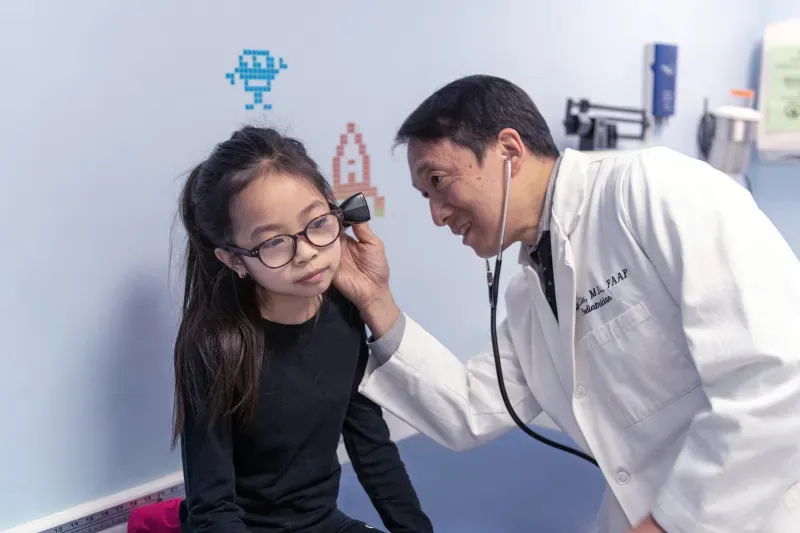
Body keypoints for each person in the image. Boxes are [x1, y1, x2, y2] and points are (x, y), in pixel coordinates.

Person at [333, 75, 800, 533]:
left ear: (509, 152)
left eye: (439, 181)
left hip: (753, 512)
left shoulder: (651, 190)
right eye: (426, 197)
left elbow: (778, 375)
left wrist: (671, 521)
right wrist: (376, 299)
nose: (437, 214)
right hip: (638, 515)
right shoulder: (529, 293)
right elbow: (471, 410)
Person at [171, 126, 434, 533]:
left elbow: (371, 444)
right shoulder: (214, 344)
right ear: (234, 260)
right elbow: (213, 507)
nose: (308, 253)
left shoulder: (345, 311)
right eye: (274, 242)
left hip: (322, 523)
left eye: (317, 223)